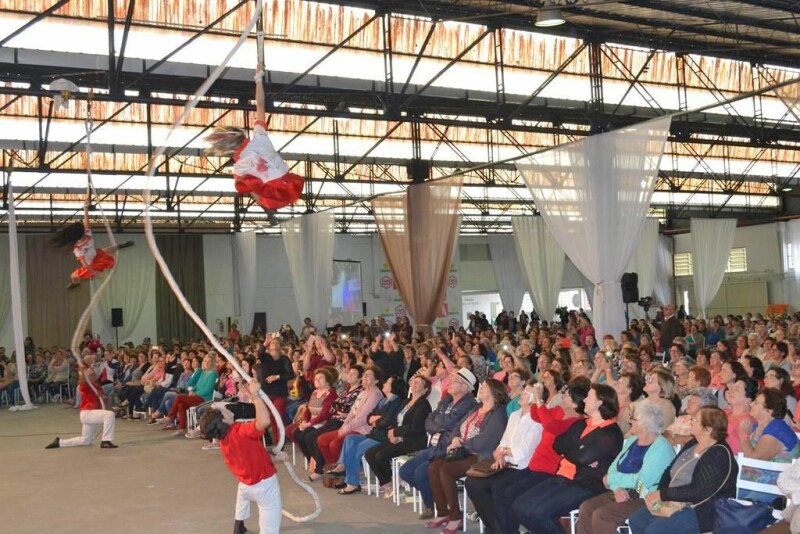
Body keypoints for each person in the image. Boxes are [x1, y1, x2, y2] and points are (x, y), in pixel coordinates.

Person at [509, 384, 624, 534]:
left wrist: (575, 451)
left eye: (589, 396)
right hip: (561, 477)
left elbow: (581, 457)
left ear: (599, 402)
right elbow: (558, 445)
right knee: (519, 506)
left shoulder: (611, 432)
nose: (585, 399)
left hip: (584, 484)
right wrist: (579, 452)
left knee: (538, 513)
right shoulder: (581, 423)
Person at [204, 69, 303, 211]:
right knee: (250, 184)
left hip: (276, 191)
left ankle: (268, 207)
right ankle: (267, 204)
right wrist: (258, 79)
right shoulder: (259, 137)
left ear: (230, 148)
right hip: (286, 183)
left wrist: (261, 201)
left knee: (248, 184)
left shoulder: (240, 168)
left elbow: (250, 190)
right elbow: (260, 104)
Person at [629, 406, 738, 534]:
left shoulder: (719, 454)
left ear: (707, 429)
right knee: (637, 520)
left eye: (695, 420)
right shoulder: (693, 444)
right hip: (673, 502)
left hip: (700, 510)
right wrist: (659, 494)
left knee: (655, 530)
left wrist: (663, 494)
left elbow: (698, 491)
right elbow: (669, 471)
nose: (690, 421)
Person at [577, 400, 675, 534]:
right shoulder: (632, 440)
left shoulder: (661, 448)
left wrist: (612, 479)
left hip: (647, 498)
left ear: (644, 424)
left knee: (602, 515)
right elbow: (613, 467)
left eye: (633, 418)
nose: (630, 422)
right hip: (622, 491)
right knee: (586, 508)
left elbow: (642, 481)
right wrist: (616, 487)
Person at [426, 378, 508, 533]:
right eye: (481, 386)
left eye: (485, 386)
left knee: (446, 470)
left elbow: (485, 441)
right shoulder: (476, 408)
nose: (481, 388)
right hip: (462, 450)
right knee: (433, 467)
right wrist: (455, 437)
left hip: (480, 455)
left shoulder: (498, 414)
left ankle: (456, 517)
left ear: (495, 392)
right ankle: (443, 512)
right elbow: (459, 426)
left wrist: (461, 444)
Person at [199, 379, 281, 534]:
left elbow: (251, 452)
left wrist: (253, 398)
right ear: (223, 420)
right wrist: (256, 396)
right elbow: (264, 421)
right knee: (269, 525)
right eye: (223, 411)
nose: (226, 408)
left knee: (242, 493)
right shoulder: (239, 432)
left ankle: (239, 525)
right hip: (264, 485)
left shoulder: (223, 439)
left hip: (246, 484)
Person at [399, 368, 478, 520]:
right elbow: (428, 420)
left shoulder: (469, 403)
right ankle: (438, 501)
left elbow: (451, 423)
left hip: (446, 448)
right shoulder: (445, 400)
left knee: (421, 473)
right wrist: (439, 424)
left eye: (455, 381)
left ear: (464, 387)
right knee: (406, 471)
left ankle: (433, 506)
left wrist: (438, 422)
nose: (450, 382)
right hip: (433, 446)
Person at [465, 379, 543, 533]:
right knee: (472, 483)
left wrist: (503, 452)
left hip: (522, 467)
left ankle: (506, 530)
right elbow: (503, 442)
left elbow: (522, 452)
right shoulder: (515, 415)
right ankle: (494, 527)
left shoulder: (537, 419)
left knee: (498, 488)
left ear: (535, 398)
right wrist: (500, 454)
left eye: (526, 392)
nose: (521, 394)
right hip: (505, 463)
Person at [365, 374, 433, 497]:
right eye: (413, 381)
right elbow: (396, 421)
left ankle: (392, 481)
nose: (414, 384)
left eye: (418, 382)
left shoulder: (423, 404)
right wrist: (392, 434)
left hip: (414, 439)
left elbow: (416, 427)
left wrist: (395, 433)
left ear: (425, 389)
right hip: (398, 436)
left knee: (381, 455)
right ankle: (387, 483)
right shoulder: (406, 401)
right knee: (369, 453)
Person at [49, 200, 133, 289]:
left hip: (92, 264)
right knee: (105, 250)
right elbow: (86, 221)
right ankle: (120, 246)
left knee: (73, 276)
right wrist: (85, 208)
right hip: (95, 255)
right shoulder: (87, 233)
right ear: (82, 232)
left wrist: (94, 272)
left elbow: (85, 265)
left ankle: (76, 283)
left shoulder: (78, 248)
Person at [737, 387, 800, 503]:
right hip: (753, 481)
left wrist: (743, 435)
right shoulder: (756, 427)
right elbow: (743, 455)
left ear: (769, 410)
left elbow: (754, 459)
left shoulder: (778, 429)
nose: (751, 404)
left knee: (734, 506)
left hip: (773, 486)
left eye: (756, 402)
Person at [45, 356, 118, 450]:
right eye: (90, 371)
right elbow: (82, 380)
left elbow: (105, 401)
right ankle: (106, 441)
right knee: (109, 415)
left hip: (92, 414)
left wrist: (110, 407)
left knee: (86, 440)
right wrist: (83, 371)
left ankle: (60, 442)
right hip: (87, 412)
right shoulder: (85, 385)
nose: (92, 371)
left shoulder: (96, 386)